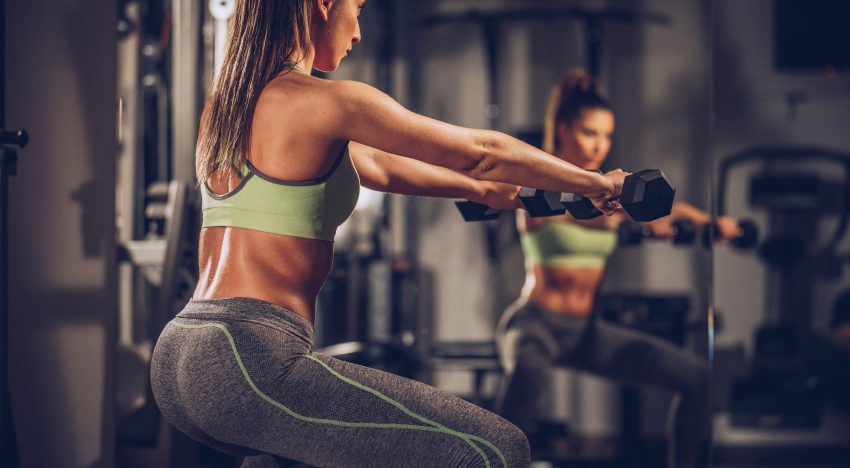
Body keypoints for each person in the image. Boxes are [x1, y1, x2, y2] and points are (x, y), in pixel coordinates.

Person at [149, 2, 628, 467]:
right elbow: (481, 151)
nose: (357, 31)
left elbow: (378, 164)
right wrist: (599, 183)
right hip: (249, 356)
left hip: (182, 352)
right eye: (357, 8)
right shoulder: (329, 100)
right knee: (496, 449)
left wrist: (487, 192)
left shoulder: (226, 107)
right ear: (323, 4)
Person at [494, 69, 741, 468]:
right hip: (534, 325)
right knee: (527, 377)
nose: (599, 145)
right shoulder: (540, 184)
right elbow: (578, 212)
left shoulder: (609, 195)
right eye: (590, 133)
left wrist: (708, 223)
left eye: (606, 135)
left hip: (586, 333)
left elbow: (672, 209)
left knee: (698, 379)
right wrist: (628, 213)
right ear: (562, 130)